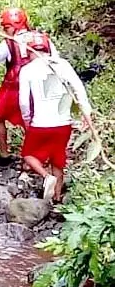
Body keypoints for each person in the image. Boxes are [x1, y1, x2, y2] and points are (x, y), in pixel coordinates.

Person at [0, 7, 58, 166]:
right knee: (34, 121)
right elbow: (56, 60)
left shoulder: (9, 43)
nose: (4, 30)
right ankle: (37, 158)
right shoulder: (43, 38)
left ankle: (6, 154)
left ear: (14, 26)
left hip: (16, 87)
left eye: (6, 27)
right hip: (42, 86)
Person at [18, 31, 92, 203]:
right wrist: (86, 113)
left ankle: (46, 176)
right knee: (57, 159)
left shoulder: (27, 70)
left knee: (28, 154)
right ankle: (57, 199)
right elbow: (79, 89)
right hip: (63, 123)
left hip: (40, 123)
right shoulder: (63, 64)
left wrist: (27, 119)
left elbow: (23, 101)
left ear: (28, 51)